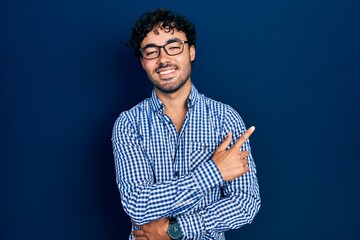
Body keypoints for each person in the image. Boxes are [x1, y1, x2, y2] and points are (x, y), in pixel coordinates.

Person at [112, 8, 261, 240]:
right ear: (143, 62)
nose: (163, 59)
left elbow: (245, 203)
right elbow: (138, 205)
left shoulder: (225, 119)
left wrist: (175, 230)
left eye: (174, 47)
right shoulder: (129, 124)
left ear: (191, 51)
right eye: (151, 51)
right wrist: (214, 172)